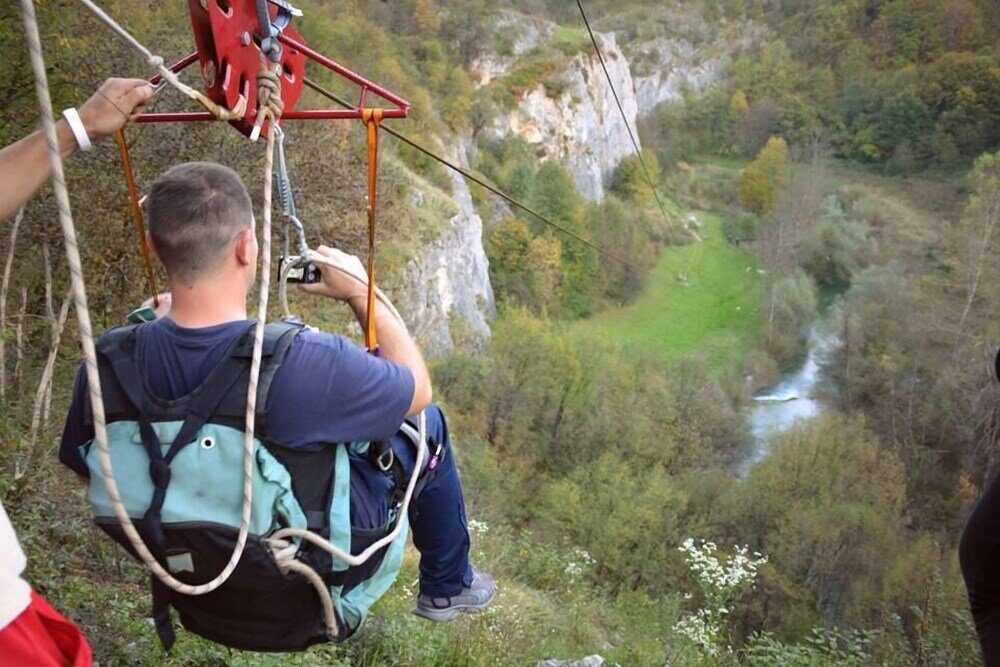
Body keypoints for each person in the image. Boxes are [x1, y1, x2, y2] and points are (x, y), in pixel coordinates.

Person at [57, 161, 495, 632]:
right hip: (302, 582)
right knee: (428, 423)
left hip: (191, 575)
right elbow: (417, 388)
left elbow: (88, 468)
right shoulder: (304, 361)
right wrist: (361, 292)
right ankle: (447, 585)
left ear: (153, 247)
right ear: (246, 247)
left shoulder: (110, 361)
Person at [0, 77, 154, 667]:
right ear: (245, 250)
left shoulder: (116, 352)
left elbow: (76, 456)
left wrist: (79, 127)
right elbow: (411, 391)